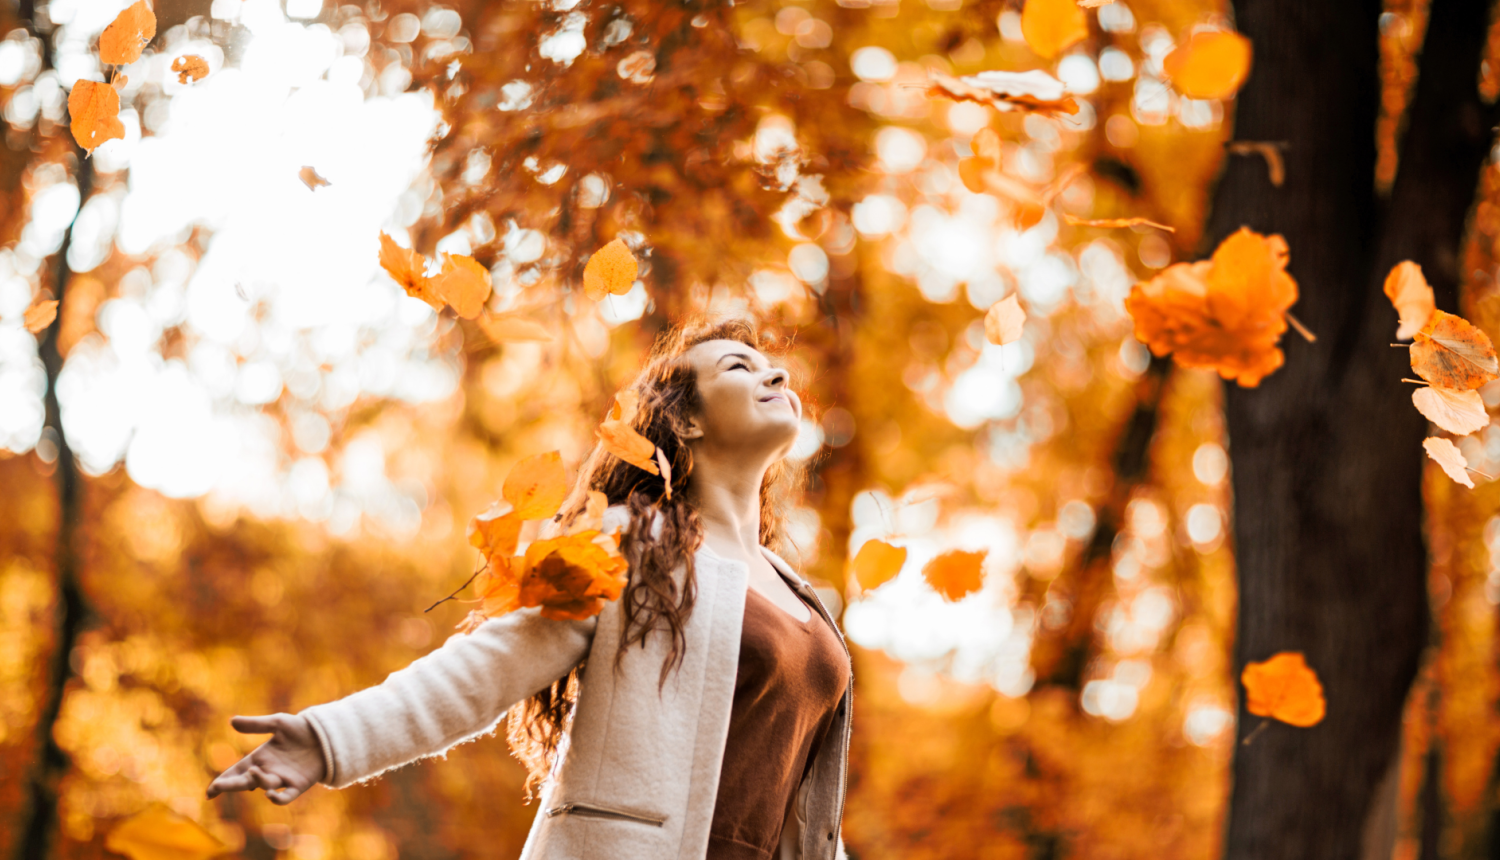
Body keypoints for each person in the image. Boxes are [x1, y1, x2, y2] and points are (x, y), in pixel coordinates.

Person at [205, 319, 853, 860]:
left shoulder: (801, 596)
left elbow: (811, 816)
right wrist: (326, 740)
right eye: (740, 367)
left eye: (773, 366)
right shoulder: (630, 544)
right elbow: (483, 668)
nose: (776, 374)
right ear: (685, 423)